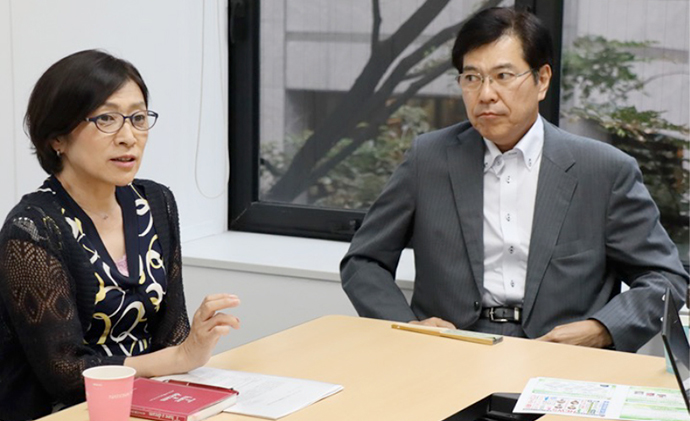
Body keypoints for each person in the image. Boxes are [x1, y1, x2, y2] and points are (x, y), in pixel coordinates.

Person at [340, 7, 688, 353]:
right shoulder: (428, 159)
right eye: (471, 78)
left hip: (563, 355)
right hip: (450, 350)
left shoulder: (603, 170)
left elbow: (665, 279)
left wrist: (600, 329)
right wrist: (408, 326)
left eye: (503, 76)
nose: (485, 94)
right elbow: (364, 261)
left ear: (542, 80)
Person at [0, 50, 240, 420]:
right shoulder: (32, 229)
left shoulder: (155, 203)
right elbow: (65, 373)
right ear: (57, 137)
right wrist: (179, 357)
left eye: (138, 118)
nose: (129, 137)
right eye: (107, 119)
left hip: (146, 401)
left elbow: (171, 333)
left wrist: (195, 342)